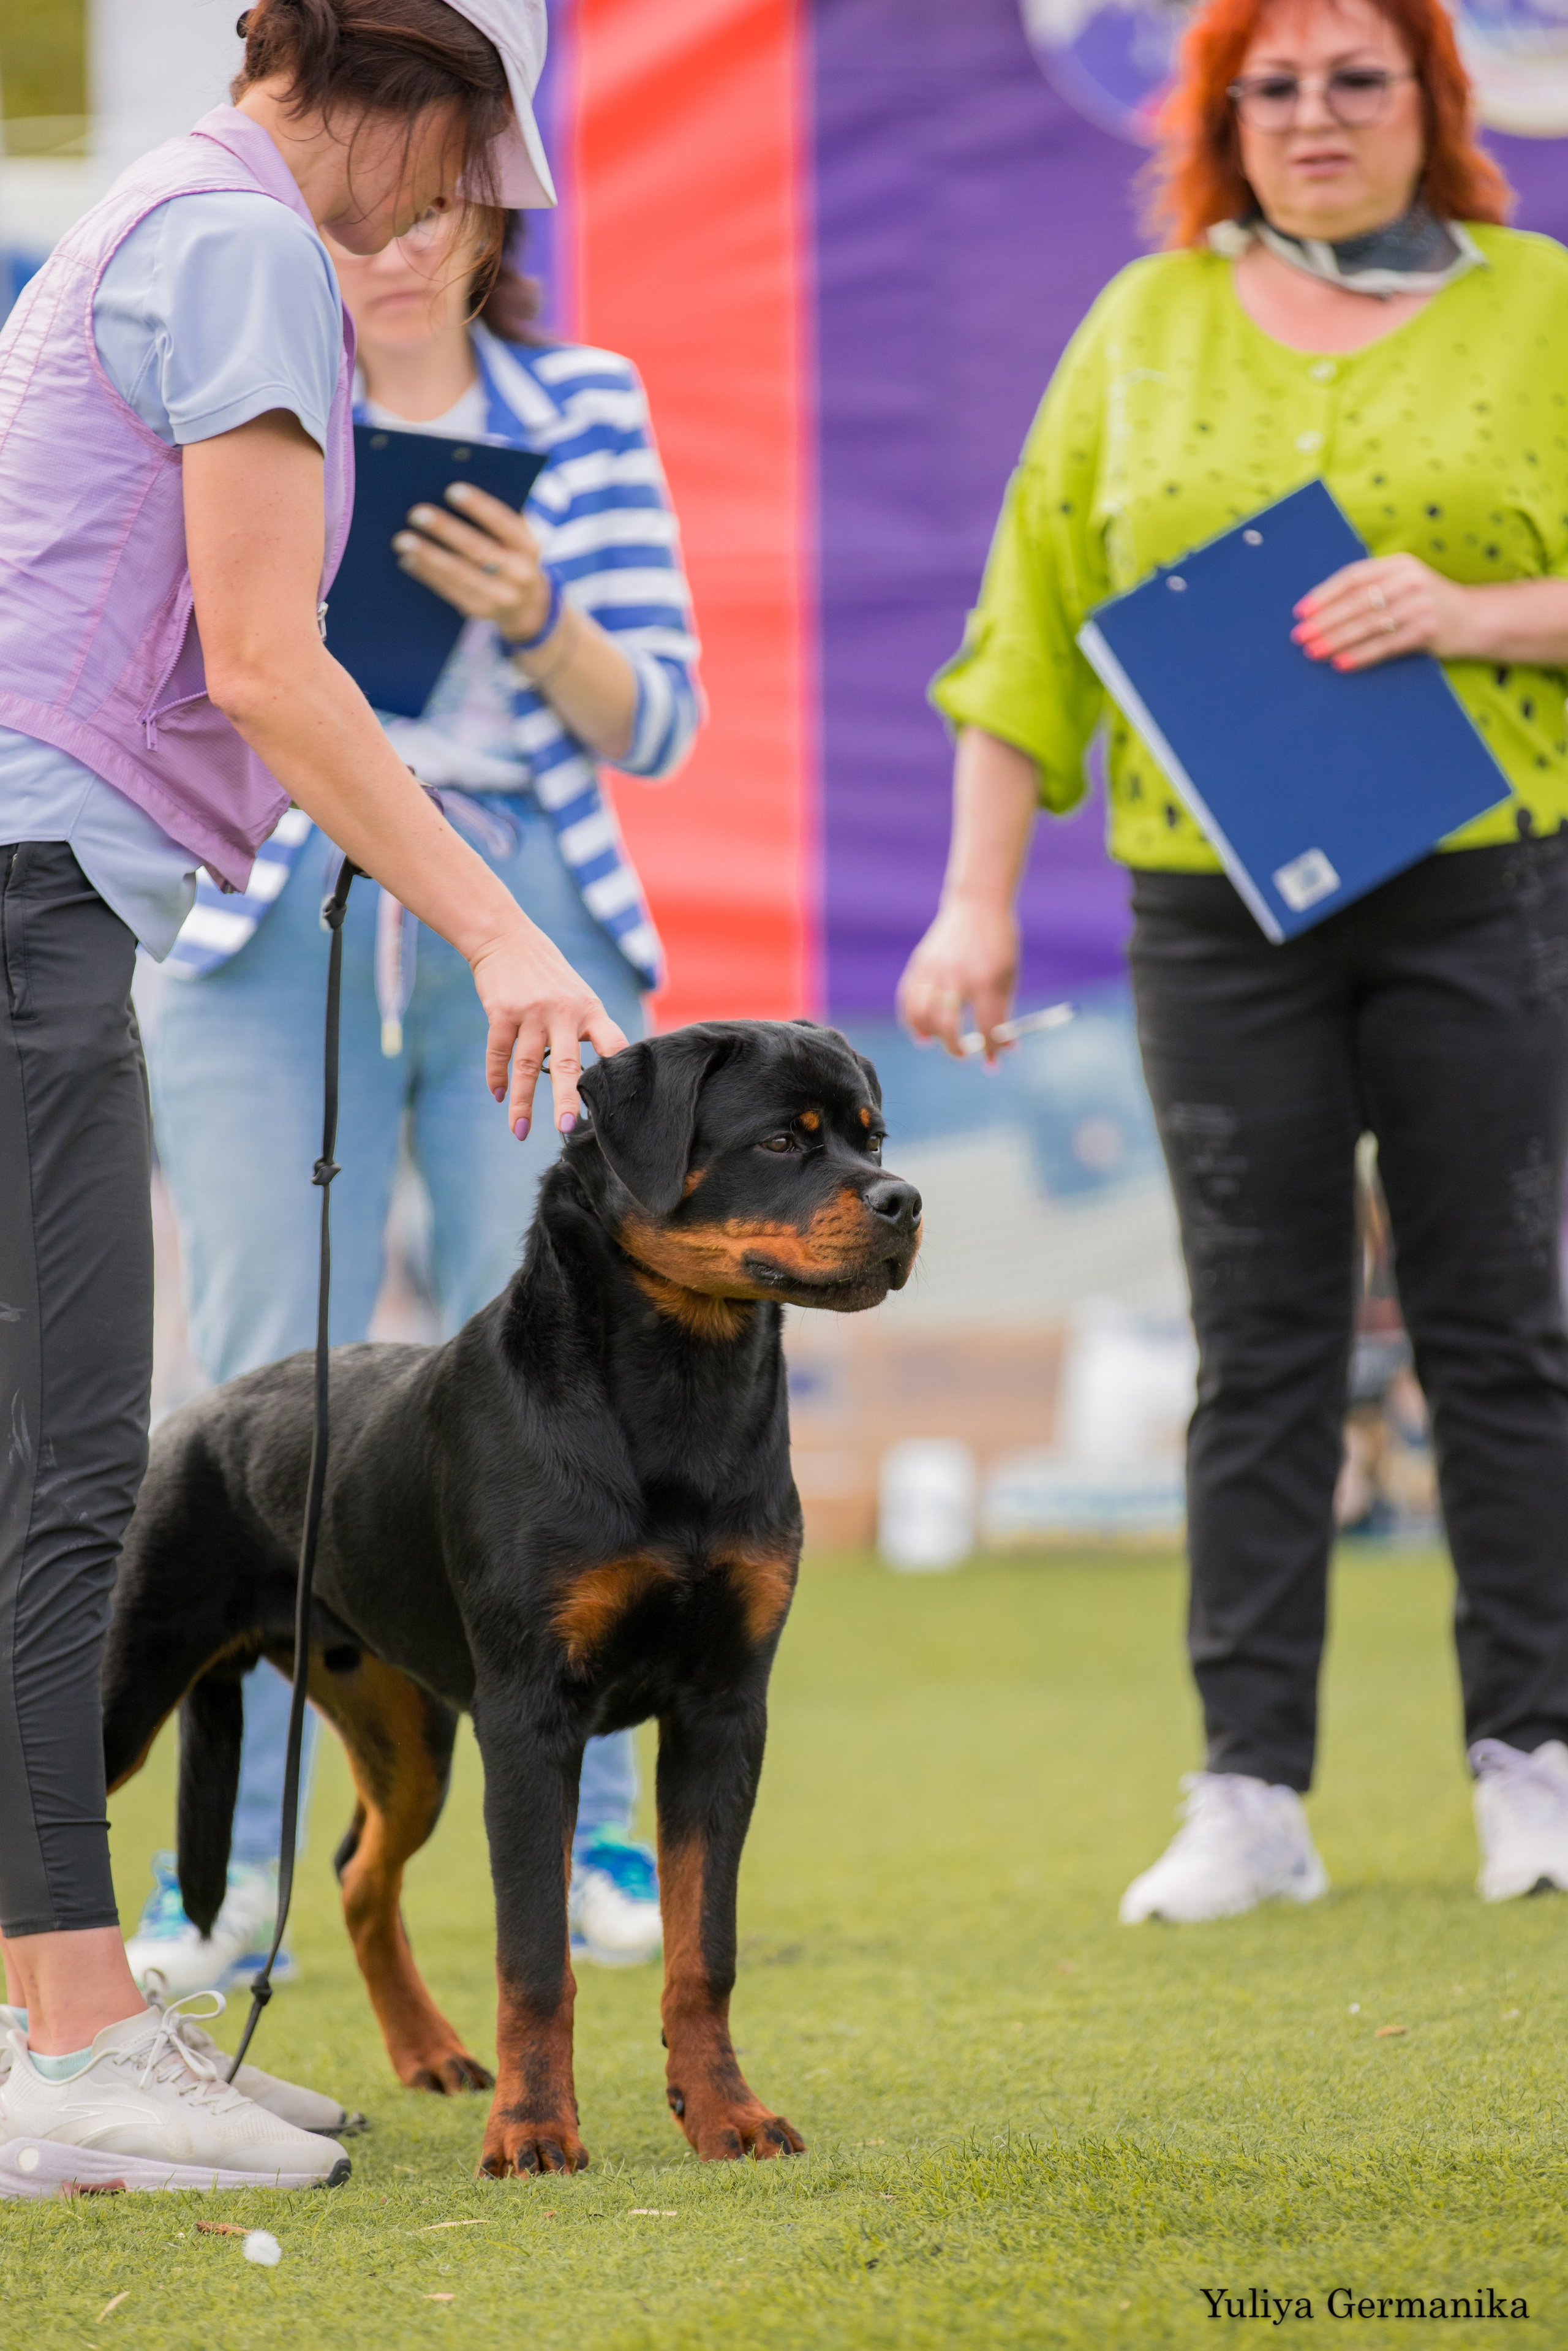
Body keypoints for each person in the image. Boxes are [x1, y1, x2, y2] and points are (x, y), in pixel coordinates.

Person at [0, 0, 627, 2197]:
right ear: (392, 95)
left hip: (45, 873)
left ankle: (62, 2005)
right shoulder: (256, 241)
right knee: (75, 1469)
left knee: (62, 1459)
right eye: (460, 153)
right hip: (34, 881)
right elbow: (271, 662)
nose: (457, 207)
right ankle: (61, 2045)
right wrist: (500, 926)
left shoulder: (156, 207)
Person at [899, 0, 1568, 1923]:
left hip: (1485, 883)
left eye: (1358, 77)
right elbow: (1026, 617)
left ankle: (1531, 1760)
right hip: (1213, 906)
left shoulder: (1536, 301)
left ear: (1434, 101)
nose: (1315, 115)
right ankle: (1248, 1794)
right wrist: (977, 898)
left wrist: (1475, 610)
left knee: (1495, 1334)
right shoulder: (1141, 323)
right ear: (1219, 116)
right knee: (1256, 1343)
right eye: (1269, 85)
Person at [124, 200, 698, 1998]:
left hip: (526, 902)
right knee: (254, 1392)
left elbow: (656, 721)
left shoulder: (581, 401)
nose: (393, 244)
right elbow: (160, 670)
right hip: (263, 906)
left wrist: (538, 611)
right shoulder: (236, 393)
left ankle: (602, 1831)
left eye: (436, 205)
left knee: (576, 1378)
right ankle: (224, 1883)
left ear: (491, 213)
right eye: (356, 212)